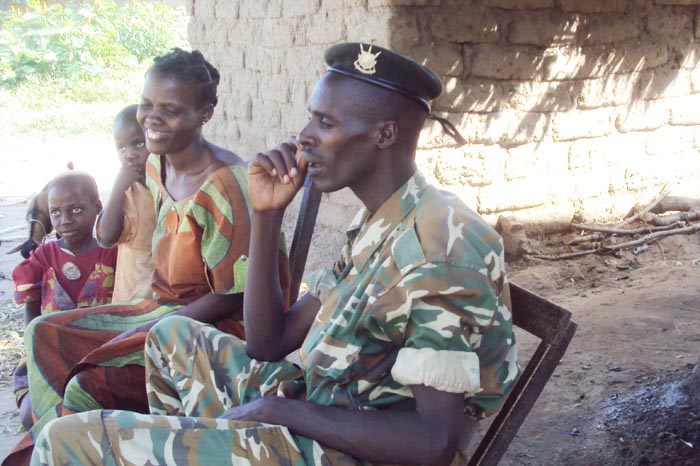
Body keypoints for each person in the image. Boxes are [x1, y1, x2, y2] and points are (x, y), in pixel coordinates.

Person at [30, 42, 520, 466]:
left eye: (324, 122)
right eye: (311, 116)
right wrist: (266, 216)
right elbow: (270, 341)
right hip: (325, 406)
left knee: (65, 441)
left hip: (348, 450)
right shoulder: (380, 219)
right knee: (170, 334)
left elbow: (435, 443)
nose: (304, 135)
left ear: (385, 135)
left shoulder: (441, 246)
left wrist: (282, 412)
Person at [3, 48, 290, 466]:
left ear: (205, 113)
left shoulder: (227, 186)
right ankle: (47, 441)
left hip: (212, 329)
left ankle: (53, 444)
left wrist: (154, 325)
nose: (152, 119)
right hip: (160, 309)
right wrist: (145, 318)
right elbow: (111, 232)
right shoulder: (158, 164)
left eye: (171, 109)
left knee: (86, 379)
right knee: (44, 332)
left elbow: (234, 296)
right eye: (146, 105)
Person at [11, 171, 117, 431]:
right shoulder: (44, 256)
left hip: (97, 354)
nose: (65, 220)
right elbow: (31, 307)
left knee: (91, 409)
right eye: (56, 213)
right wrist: (36, 349)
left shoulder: (113, 254)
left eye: (76, 210)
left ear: (98, 208)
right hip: (48, 354)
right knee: (31, 416)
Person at [96, 104, 156, 302]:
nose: (129, 154)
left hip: (162, 296)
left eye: (139, 144)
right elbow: (106, 236)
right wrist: (119, 186)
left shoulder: (171, 185)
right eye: (121, 148)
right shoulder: (127, 192)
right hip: (129, 294)